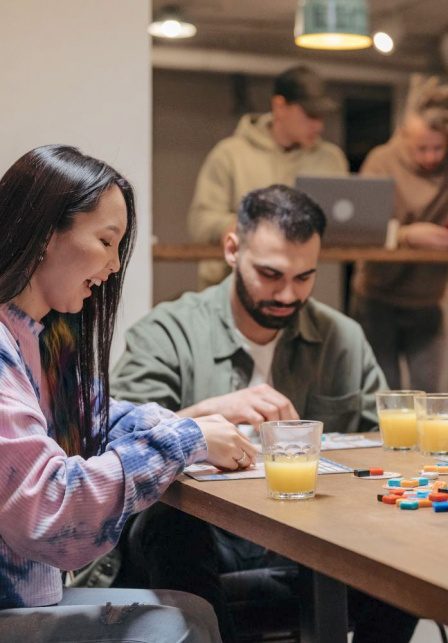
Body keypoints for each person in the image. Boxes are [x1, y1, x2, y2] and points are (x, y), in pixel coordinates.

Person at [112, 185, 417, 643]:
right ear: (232, 249)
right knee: (170, 523)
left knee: (411, 546)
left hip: (312, 537)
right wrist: (209, 414)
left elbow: (387, 444)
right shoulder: (167, 332)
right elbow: (115, 442)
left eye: (305, 277)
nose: (288, 294)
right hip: (205, 538)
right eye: (271, 274)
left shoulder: (342, 338)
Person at [0, 145, 257, 642]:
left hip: (28, 597)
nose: (115, 265)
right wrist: (185, 440)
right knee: (178, 621)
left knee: (190, 611)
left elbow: (97, 420)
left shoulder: (40, 336)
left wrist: (189, 430)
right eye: (105, 240)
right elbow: (52, 510)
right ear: (44, 234)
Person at [351, 75, 448, 391]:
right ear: (403, 135)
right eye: (421, 148)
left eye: (438, 147)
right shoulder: (381, 161)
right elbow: (360, 229)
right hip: (376, 295)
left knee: (428, 397)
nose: (431, 157)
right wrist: (407, 236)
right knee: (381, 395)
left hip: (429, 298)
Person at [188, 65, 349, 288]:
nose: (318, 125)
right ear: (280, 106)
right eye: (310, 115)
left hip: (300, 292)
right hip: (231, 289)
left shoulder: (331, 159)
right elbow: (200, 223)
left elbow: (345, 223)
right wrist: (240, 225)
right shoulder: (229, 154)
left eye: (321, 116)